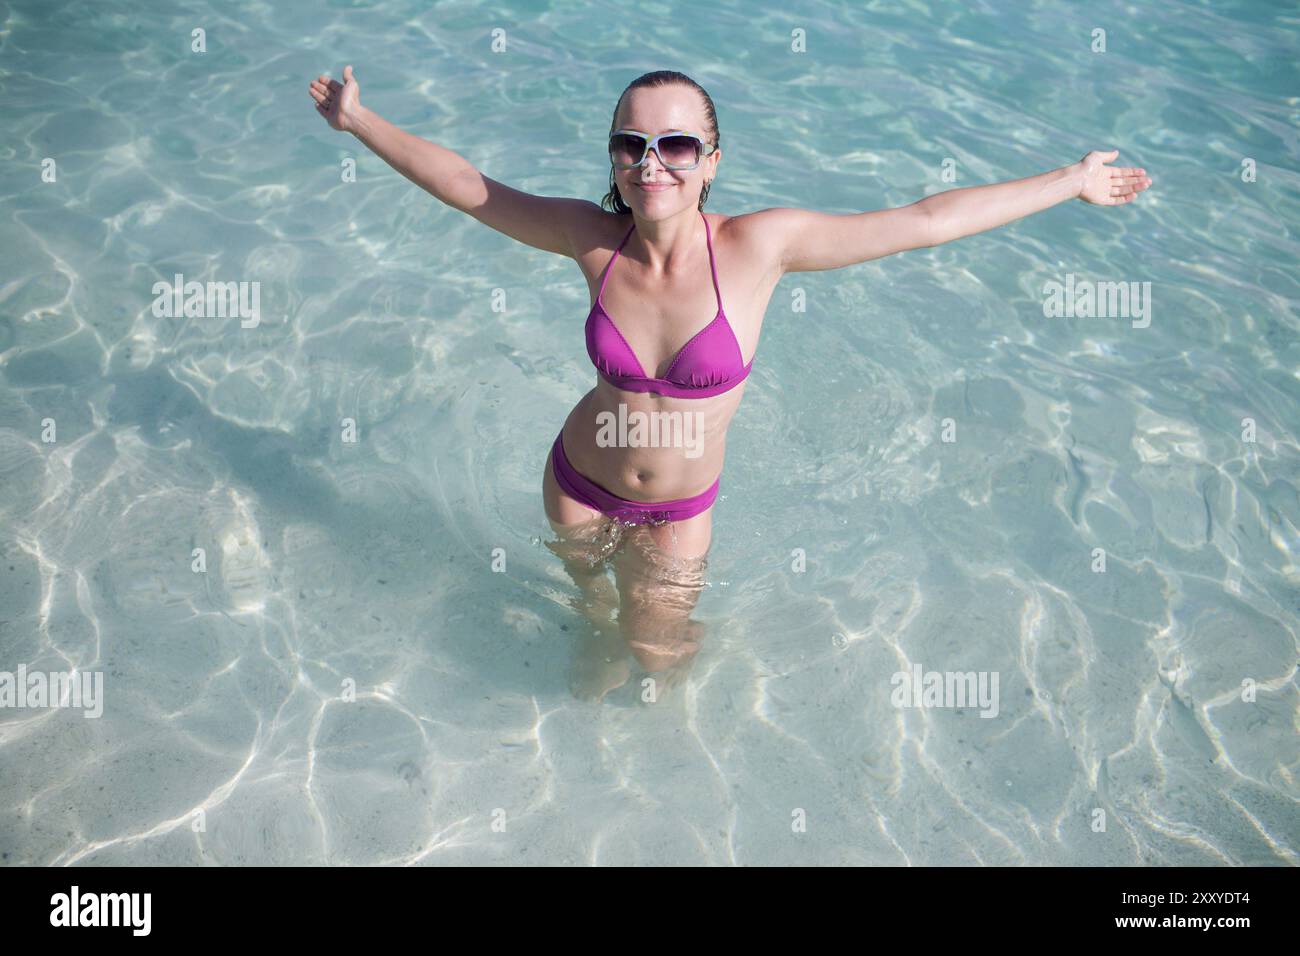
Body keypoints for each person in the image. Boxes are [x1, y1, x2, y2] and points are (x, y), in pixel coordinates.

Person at [308, 66, 1151, 699]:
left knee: (659, 651)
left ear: (710, 161)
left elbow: (924, 223)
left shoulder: (761, 247)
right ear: (614, 157)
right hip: (577, 481)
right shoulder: (587, 237)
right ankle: (586, 670)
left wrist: (1069, 181)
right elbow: (468, 188)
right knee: (592, 618)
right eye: (631, 144)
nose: (652, 163)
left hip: (682, 508)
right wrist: (359, 121)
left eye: (675, 145)